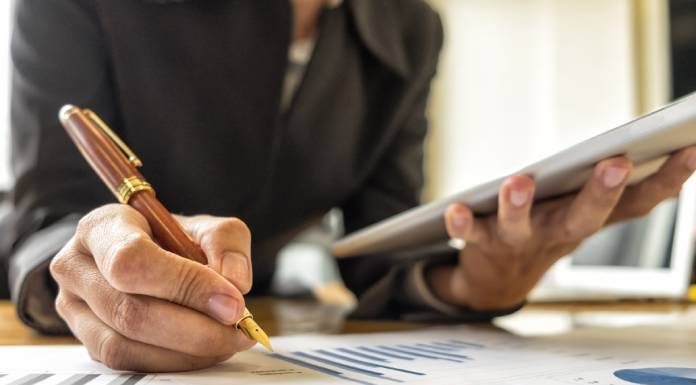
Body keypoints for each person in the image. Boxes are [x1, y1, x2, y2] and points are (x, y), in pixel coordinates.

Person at [1, 0, 694, 373]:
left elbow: (377, 243)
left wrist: (485, 282)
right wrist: (92, 257)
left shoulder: (412, 28)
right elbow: (48, 212)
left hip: (243, 306)